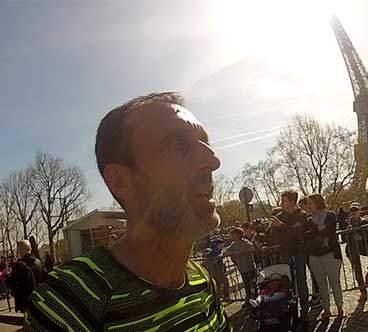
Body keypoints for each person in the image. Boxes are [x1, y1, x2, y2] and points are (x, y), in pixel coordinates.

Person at [25, 92, 231, 331]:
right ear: (121, 181)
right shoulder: (69, 303)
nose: (213, 161)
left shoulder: (202, 281)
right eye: (178, 143)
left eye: (206, 144)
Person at [269, 190, 310, 323]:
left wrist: (282, 227)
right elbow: (274, 237)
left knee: (301, 280)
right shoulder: (279, 216)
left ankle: (304, 310)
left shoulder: (302, 215)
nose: (281, 203)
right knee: (287, 283)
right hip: (285, 253)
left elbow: (300, 234)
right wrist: (281, 229)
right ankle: (292, 311)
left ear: (292, 201)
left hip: (299, 252)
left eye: (284, 200)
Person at [305, 194, 343, 321]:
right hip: (315, 256)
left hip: (331, 254)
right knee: (321, 285)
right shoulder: (308, 220)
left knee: (335, 282)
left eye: (310, 203)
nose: (308, 206)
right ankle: (326, 309)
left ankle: (339, 307)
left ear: (317, 203)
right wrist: (319, 229)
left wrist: (316, 230)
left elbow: (330, 230)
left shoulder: (331, 215)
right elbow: (307, 236)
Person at [345, 202, 368, 302]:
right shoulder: (347, 223)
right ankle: (363, 291)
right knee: (357, 270)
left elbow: (367, 236)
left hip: (362, 246)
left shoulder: (364, 221)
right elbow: (343, 238)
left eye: (356, 210)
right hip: (352, 248)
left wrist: (361, 237)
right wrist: (347, 231)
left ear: (360, 211)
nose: (354, 213)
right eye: (352, 211)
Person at [222, 227, 256, 308]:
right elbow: (225, 251)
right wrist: (234, 253)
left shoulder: (245, 242)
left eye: (232, 235)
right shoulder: (233, 245)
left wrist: (243, 251)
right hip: (242, 268)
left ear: (237, 235)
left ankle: (256, 299)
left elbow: (252, 248)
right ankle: (248, 300)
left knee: (253, 284)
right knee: (246, 285)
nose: (231, 237)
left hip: (249, 267)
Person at [11, 240, 44, 312]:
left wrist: (8, 277)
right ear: (30, 248)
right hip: (39, 298)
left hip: (25, 302)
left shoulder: (18, 265)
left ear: (20, 250)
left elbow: (14, 285)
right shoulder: (39, 262)